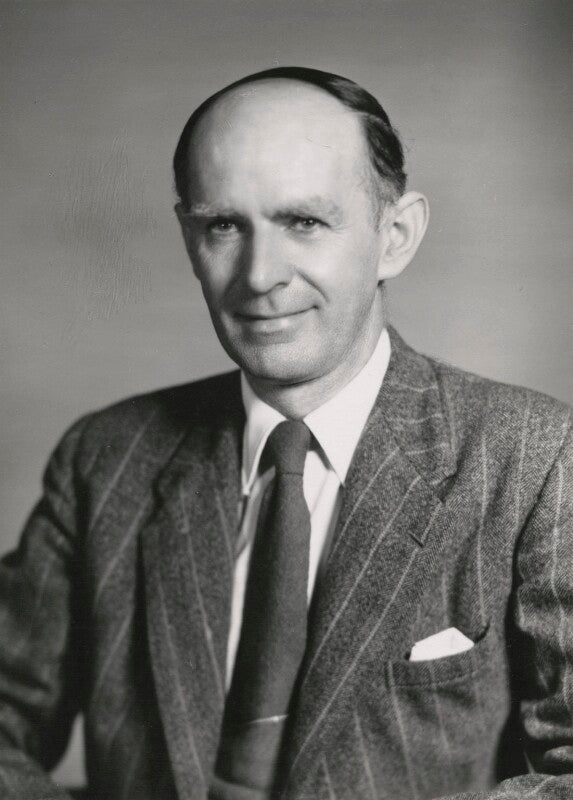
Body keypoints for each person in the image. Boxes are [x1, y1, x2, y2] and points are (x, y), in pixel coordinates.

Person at [0, 66, 571, 800]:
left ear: (395, 236)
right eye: (223, 225)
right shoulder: (107, 457)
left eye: (303, 222)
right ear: (189, 239)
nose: (260, 275)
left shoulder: (534, 458)